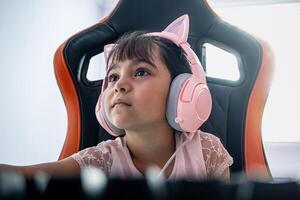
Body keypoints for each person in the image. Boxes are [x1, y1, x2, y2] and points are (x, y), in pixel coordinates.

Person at [0, 15, 233, 180]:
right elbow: (26, 176)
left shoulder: (206, 152)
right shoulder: (100, 160)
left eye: (141, 72)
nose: (119, 85)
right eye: (112, 77)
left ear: (181, 90)